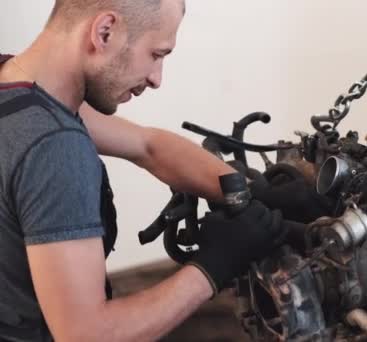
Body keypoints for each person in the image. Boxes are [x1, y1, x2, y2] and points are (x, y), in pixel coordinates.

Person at [0, 0, 287, 340]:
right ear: (104, 32)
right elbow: (87, 335)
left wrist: (250, 193)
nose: (156, 78)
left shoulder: (16, 83)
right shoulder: (54, 146)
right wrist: (214, 266)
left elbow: (147, 146)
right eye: (156, 54)